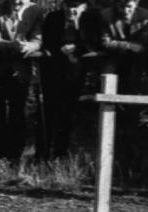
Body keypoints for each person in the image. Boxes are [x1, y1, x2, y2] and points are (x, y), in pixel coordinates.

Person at [0, 0, 43, 164]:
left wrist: (30, 46)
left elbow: (38, 39)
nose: (17, 2)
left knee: (18, 112)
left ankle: (14, 156)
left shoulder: (36, 10)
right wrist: (14, 46)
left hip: (21, 71)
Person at [41, 0, 99, 158]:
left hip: (77, 73)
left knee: (68, 113)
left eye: (77, 7)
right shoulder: (53, 17)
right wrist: (60, 50)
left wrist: (76, 48)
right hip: (52, 71)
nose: (72, 10)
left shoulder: (90, 19)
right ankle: (43, 154)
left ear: (84, 7)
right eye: (69, 6)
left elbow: (95, 43)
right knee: (48, 112)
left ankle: (61, 153)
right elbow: (45, 41)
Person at [98, 0, 148, 94]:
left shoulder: (146, 16)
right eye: (122, 6)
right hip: (115, 54)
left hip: (139, 56)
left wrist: (138, 48)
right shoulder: (106, 15)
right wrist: (128, 45)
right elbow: (106, 42)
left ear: (136, 4)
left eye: (129, 7)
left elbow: (144, 43)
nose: (126, 10)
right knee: (106, 76)